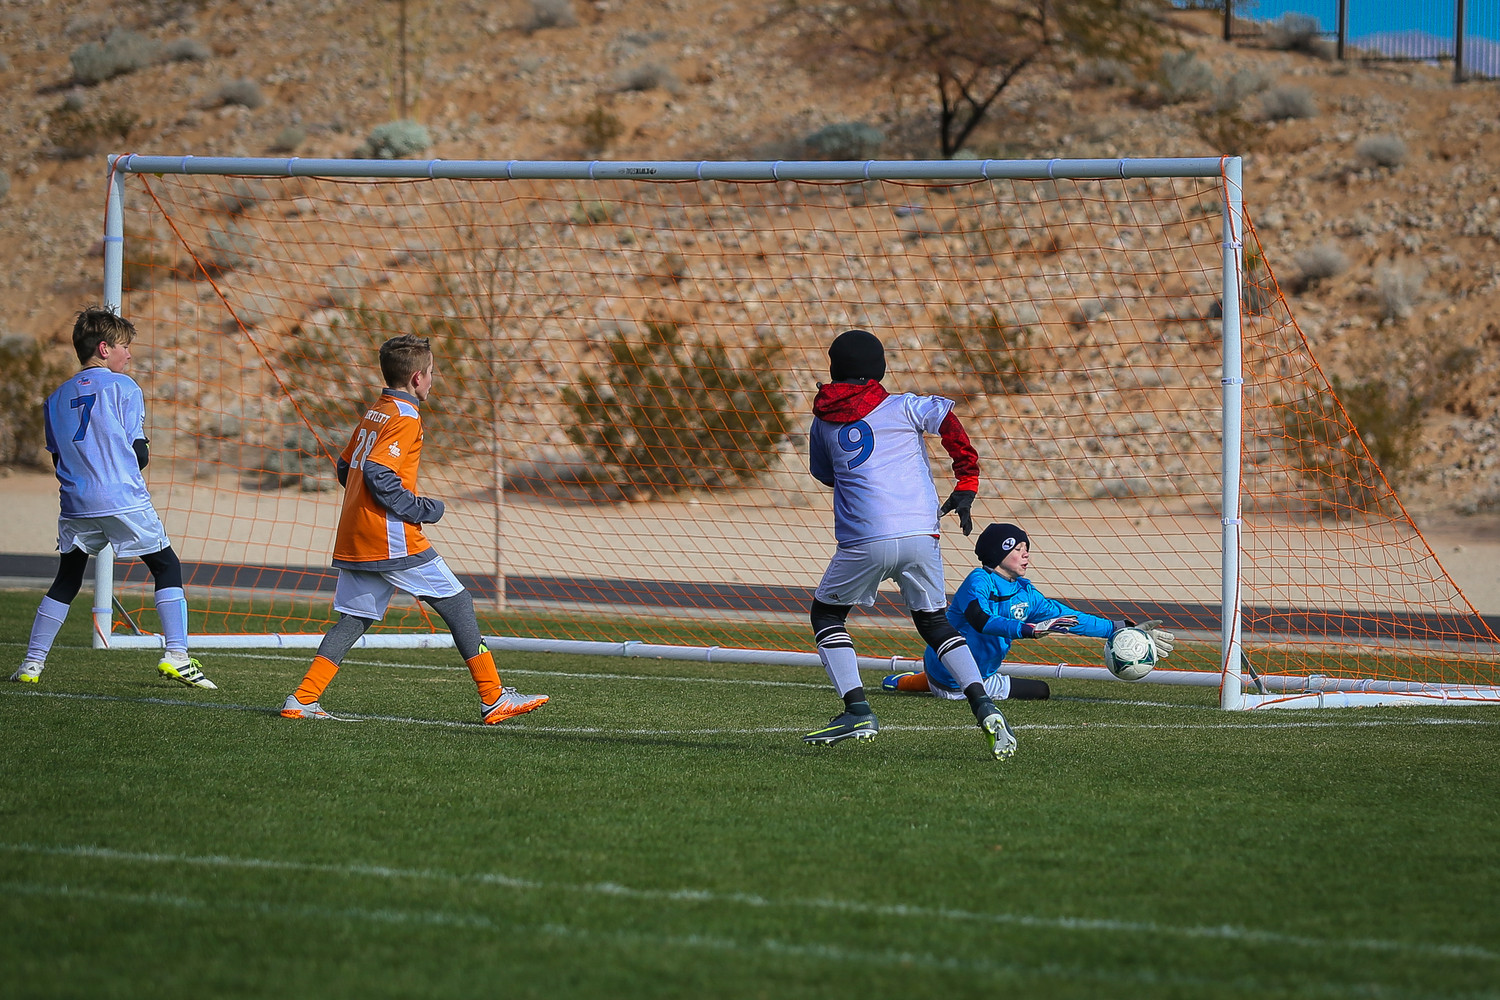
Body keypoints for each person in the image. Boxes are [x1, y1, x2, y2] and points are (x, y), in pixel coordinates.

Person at [279, 334, 547, 723]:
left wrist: (368, 503)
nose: (433, 380)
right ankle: (493, 697)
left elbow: (345, 466)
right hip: (389, 536)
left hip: (356, 532)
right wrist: (420, 508)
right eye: (432, 372)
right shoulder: (405, 416)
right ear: (417, 377)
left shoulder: (376, 410)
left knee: (355, 618)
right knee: (458, 602)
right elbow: (377, 472)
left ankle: (302, 699)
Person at [802, 328, 1018, 759]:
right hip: (922, 533)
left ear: (834, 368)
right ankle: (984, 705)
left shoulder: (821, 421)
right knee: (935, 623)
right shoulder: (903, 405)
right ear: (879, 368)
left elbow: (825, 474)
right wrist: (967, 479)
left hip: (865, 537)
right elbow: (947, 420)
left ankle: (857, 709)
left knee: (827, 615)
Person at [11, 306, 215, 688]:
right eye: (124, 346)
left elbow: (57, 458)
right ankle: (177, 656)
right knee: (166, 565)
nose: (129, 354)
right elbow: (140, 455)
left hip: (75, 503)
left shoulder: (54, 399)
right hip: (121, 498)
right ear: (104, 349)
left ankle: (31, 664)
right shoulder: (124, 387)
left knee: (67, 579)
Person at [882, 522, 1175, 700]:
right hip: (951, 671)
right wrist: (1028, 630)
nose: (1026, 553)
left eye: (1026, 548)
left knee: (1041, 691)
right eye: (1018, 548)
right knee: (947, 684)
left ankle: (917, 681)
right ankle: (911, 681)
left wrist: (1120, 627)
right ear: (998, 553)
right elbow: (981, 620)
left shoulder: (1026, 593)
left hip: (982, 678)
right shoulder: (978, 580)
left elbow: (1069, 619)